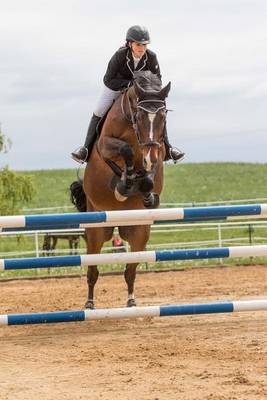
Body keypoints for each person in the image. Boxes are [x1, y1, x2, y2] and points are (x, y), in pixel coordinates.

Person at [71, 25, 185, 164]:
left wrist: (147, 90)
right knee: (99, 110)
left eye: (144, 45)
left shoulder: (151, 57)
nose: (142, 48)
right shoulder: (120, 56)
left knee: (157, 110)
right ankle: (85, 149)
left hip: (141, 91)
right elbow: (108, 79)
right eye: (138, 44)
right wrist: (129, 85)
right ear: (130, 44)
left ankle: (169, 147)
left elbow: (157, 80)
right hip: (116, 87)